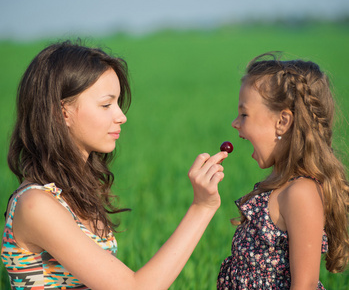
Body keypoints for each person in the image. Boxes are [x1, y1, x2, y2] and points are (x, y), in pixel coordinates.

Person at [1, 40, 228, 290]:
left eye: (118, 103)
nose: (121, 116)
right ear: (61, 112)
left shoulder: (76, 192)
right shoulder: (36, 205)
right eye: (106, 105)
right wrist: (202, 207)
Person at [217, 52, 349, 289]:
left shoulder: (301, 193)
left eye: (244, 114)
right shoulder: (277, 184)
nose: (235, 123)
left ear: (283, 122)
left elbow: (305, 285)